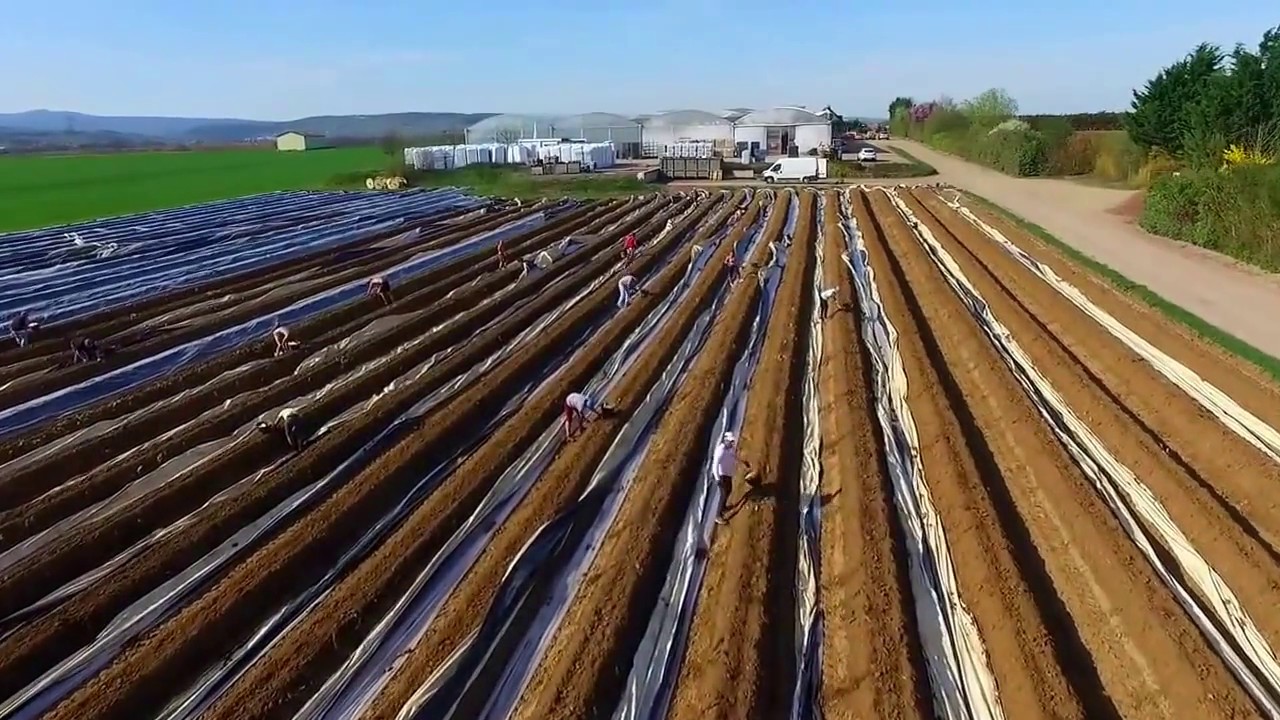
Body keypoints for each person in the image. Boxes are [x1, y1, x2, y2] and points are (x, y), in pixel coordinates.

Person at [713, 431, 755, 524]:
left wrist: (743, 462)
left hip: (728, 474)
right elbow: (715, 465)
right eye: (730, 441)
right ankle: (718, 516)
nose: (732, 443)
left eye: (732, 441)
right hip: (722, 475)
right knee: (723, 494)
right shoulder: (720, 451)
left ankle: (723, 508)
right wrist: (717, 479)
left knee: (729, 490)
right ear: (725, 440)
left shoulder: (730, 449)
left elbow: (734, 456)